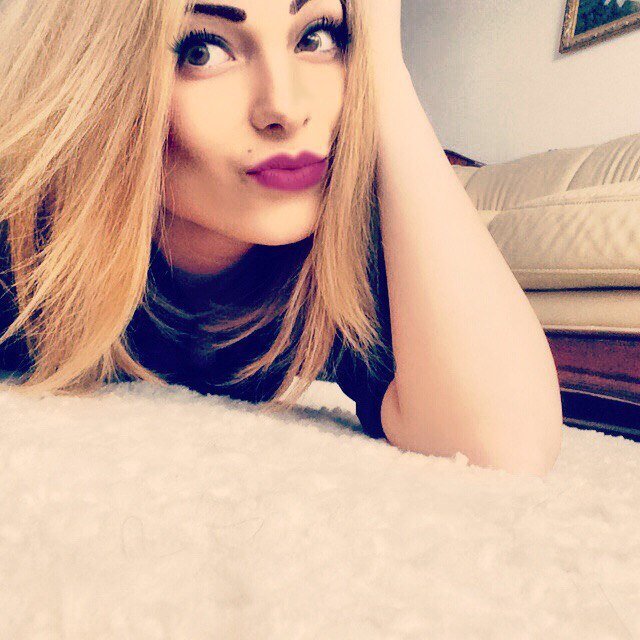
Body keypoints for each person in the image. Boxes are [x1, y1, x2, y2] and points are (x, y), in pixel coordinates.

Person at [0, 0, 395, 440]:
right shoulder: (18, 245)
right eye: (202, 51)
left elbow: (457, 429)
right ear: (97, 83)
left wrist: (386, 73)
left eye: (315, 38)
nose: (286, 108)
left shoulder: (359, 245)